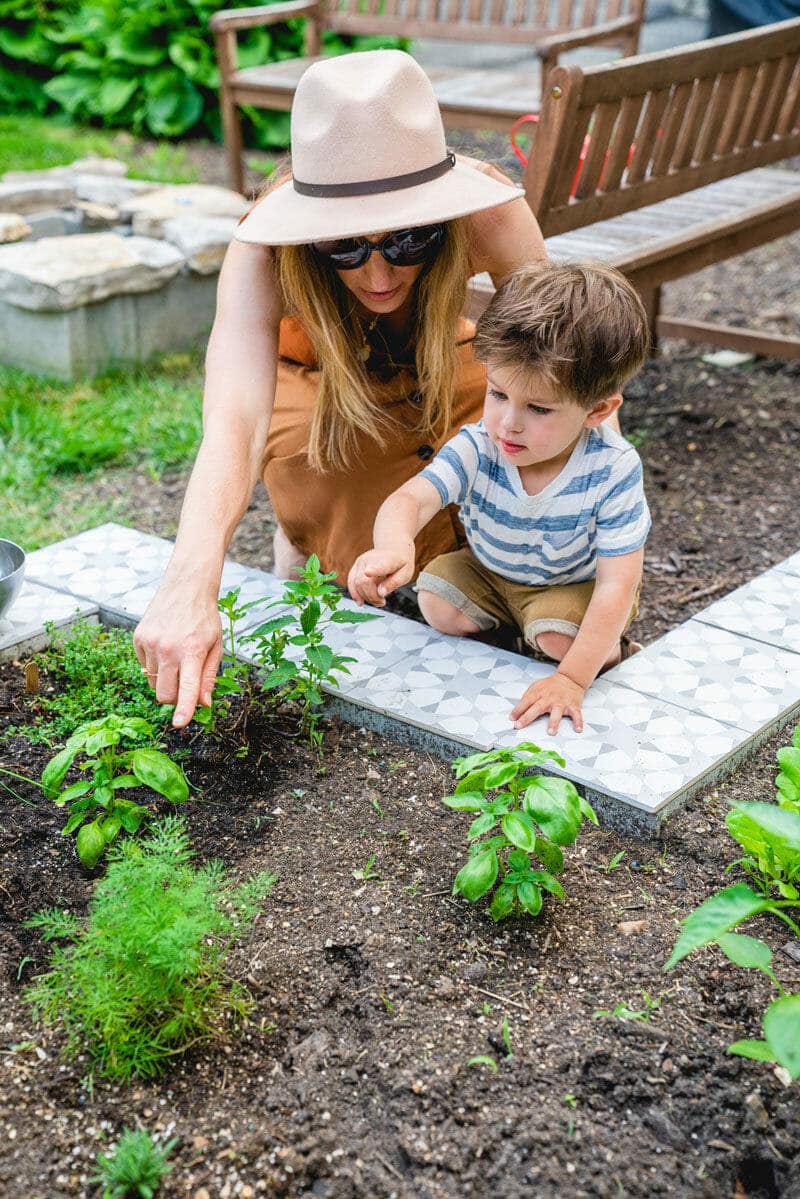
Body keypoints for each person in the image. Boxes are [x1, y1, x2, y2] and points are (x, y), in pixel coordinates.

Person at [133, 49, 548, 728]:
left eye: (409, 240)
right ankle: (303, 546)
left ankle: (468, 566)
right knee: (335, 473)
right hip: (316, 379)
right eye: (345, 248)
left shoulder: (490, 211)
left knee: (521, 439)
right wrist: (189, 581)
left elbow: (559, 361)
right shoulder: (262, 247)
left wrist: (608, 495)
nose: (380, 273)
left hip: (440, 356)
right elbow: (235, 418)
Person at [348, 261, 650, 736]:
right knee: (437, 600)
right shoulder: (479, 446)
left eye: (538, 408)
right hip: (490, 569)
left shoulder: (611, 469)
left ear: (597, 410)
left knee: (557, 638)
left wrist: (571, 679)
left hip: (569, 583)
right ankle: (512, 631)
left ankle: (610, 650)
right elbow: (412, 499)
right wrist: (393, 546)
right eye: (498, 393)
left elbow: (618, 584)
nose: (508, 422)